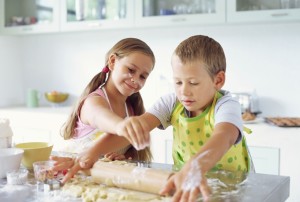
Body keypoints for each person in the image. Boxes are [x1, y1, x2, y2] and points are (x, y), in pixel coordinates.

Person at [115, 35, 254, 201]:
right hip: (187, 186)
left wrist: (194, 167)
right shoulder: (172, 103)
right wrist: (93, 153)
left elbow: (224, 137)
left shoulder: (227, 105)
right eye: (178, 82)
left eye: (193, 83)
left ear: (218, 80)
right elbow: (138, 126)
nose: (184, 91)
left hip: (233, 190)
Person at [50, 38, 155, 183]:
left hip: (101, 183)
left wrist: (122, 158)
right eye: (131, 70)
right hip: (71, 179)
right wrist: (120, 126)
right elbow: (101, 117)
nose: (135, 79)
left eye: (143, 76)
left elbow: (131, 152)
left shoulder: (131, 109)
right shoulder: (94, 102)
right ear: (112, 62)